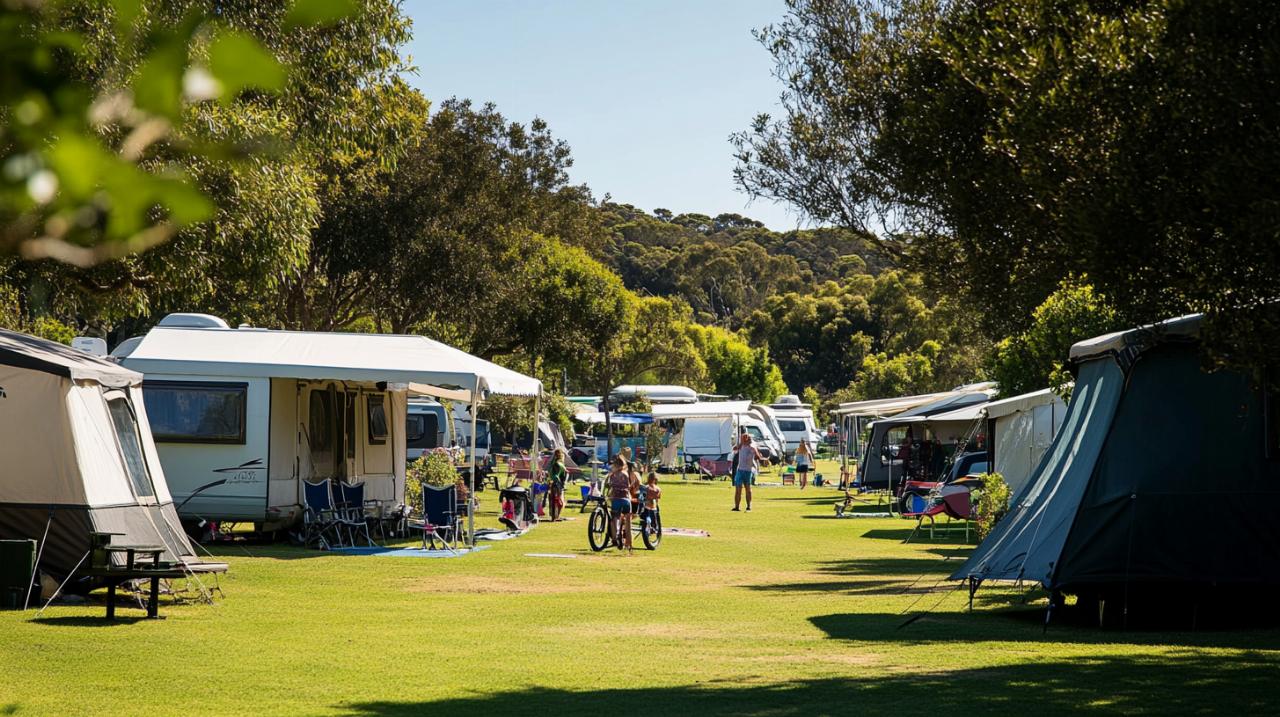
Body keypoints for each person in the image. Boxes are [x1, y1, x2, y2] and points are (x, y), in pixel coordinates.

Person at [605, 455, 634, 551]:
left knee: (614, 519)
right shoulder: (625, 474)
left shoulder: (613, 475)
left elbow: (610, 486)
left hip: (616, 499)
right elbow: (628, 486)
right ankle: (629, 544)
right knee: (628, 521)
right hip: (626, 499)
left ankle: (614, 538)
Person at [732, 432, 762, 512]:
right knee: (738, 489)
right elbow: (734, 449)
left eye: (746, 438)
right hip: (740, 470)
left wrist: (754, 450)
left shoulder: (752, 447)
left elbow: (758, 457)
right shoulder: (741, 446)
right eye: (743, 438)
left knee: (748, 489)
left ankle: (749, 506)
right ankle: (736, 506)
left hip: (748, 471)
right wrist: (741, 443)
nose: (744, 439)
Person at [546, 448, 568, 522]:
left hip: (554, 482)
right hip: (557, 483)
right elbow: (556, 474)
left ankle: (554, 515)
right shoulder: (557, 463)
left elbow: (553, 473)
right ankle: (555, 516)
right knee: (558, 501)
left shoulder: (555, 463)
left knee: (554, 500)